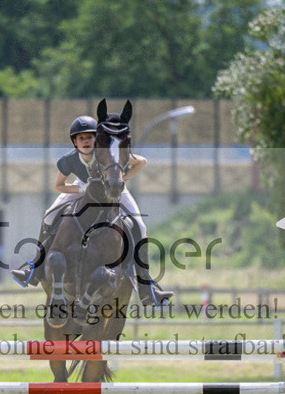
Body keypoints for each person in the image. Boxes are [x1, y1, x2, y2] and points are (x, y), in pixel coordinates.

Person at [10, 115, 173, 306]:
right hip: (82, 187)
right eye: (81, 138)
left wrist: (123, 179)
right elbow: (59, 186)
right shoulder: (70, 159)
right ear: (74, 142)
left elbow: (142, 161)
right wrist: (80, 189)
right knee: (49, 215)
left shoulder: (107, 154)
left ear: (97, 139)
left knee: (140, 226)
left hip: (114, 189)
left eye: (90, 137)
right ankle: (34, 268)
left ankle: (147, 285)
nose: (86, 141)